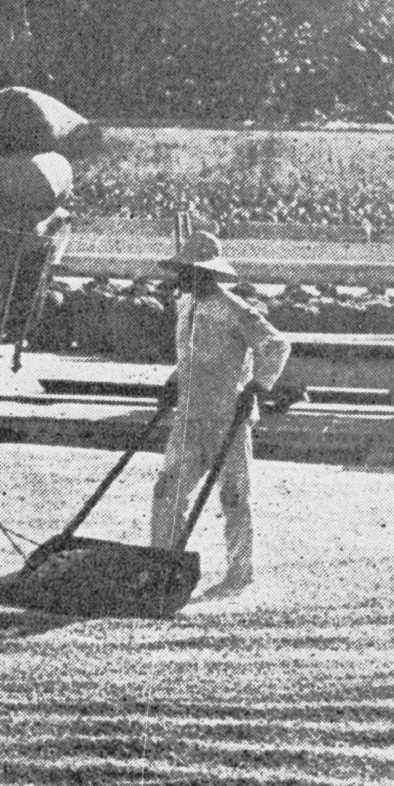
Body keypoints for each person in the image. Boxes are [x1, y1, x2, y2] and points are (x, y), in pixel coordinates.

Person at [149, 228, 293, 600]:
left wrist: (257, 385)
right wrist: (173, 379)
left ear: (208, 274)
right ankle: (161, 566)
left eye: (191, 273)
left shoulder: (235, 309)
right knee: (167, 491)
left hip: (227, 416)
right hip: (188, 415)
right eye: (182, 271)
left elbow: (276, 345)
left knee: (233, 496)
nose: (183, 279)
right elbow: (191, 356)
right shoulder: (186, 305)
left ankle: (239, 573)